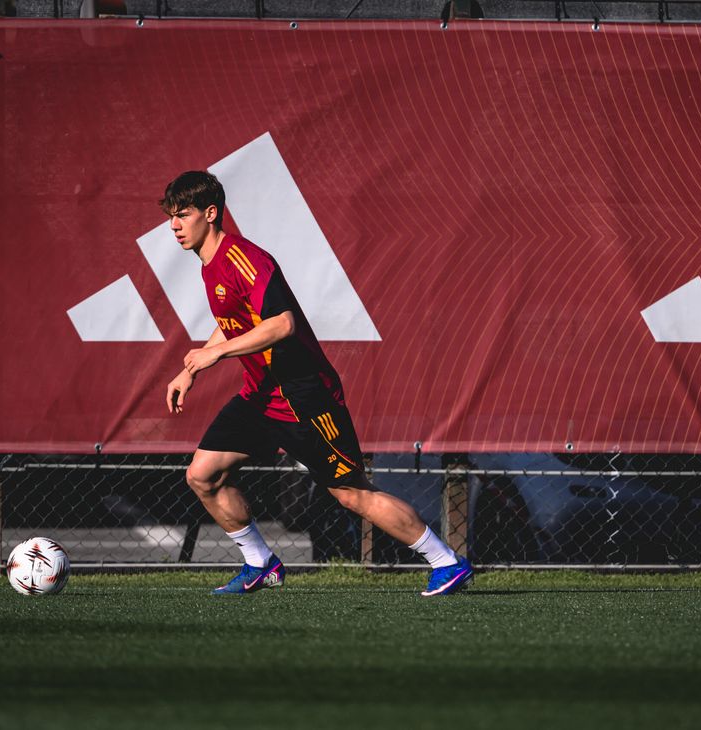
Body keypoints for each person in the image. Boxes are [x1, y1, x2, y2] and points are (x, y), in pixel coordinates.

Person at [161, 171, 473, 596]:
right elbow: (236, 323)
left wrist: (214, 355)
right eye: (172, 217)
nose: (174, 225)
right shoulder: (209, 264)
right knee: (202, 475)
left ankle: (446, 561)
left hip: (304, 397)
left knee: (350, 493)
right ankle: (261, 564)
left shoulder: (244, 258)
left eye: (183, 215)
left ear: (211, 214)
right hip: (261, 396)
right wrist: (191, 368)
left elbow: (282, 323)